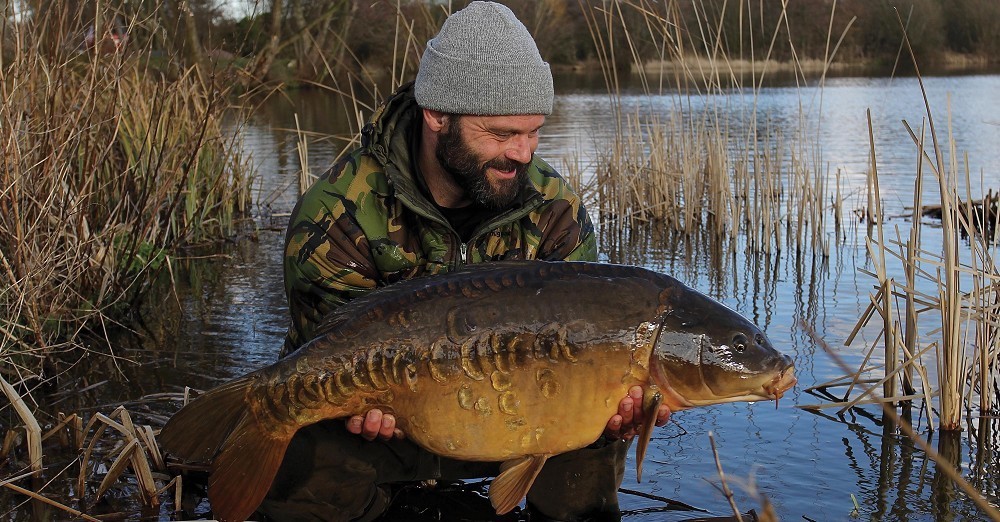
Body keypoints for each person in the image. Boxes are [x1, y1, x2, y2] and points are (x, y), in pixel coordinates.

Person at [260, 3, 670, 521]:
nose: (523, 154)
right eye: (501, 135)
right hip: (395, 420)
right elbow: (327, 341)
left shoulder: (553, 208)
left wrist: (622, 403)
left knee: (592, 423)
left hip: (519, 414)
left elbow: (593, 332)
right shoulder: (337, 213)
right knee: (302, 460)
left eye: (533, 132)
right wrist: (361, 403)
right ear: (437, 115)